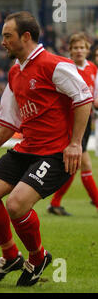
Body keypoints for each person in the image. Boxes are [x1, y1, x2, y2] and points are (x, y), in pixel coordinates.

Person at [0, 11, 93, 287]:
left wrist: (75, 143)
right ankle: (11, 256)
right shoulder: (15, 71)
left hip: (55, 153)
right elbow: (11, 119)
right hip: (27, 148)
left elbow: (84, 98)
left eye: (7, 36)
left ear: (25, 37)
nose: (2, 41)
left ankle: (38, 258)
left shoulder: (55, 65)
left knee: (15, 205)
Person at [48, 33, 98, 216]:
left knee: (75, 165)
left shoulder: (92, 68)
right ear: (70, 50)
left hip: (87, 121)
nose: (79, 51)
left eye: (82, 48)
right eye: (75, 48)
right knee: (83, 163)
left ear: (87, 50)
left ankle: (55, 202)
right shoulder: (66, 68)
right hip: (72, 122)